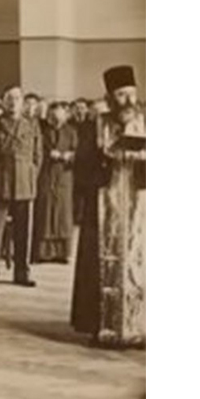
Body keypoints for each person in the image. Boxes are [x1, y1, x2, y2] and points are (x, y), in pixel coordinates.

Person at [71, 65, 145, 348]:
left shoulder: (148, 120)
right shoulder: (96, 124)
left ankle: (141, 327)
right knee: (99, 264)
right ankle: (102, 326)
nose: (127, 101)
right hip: (104, 204)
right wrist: (104, 157)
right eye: (121, 95)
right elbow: (82, 165)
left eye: (131, 94)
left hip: (140, 205)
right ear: (110, 97)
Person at [0, 85, 42, 286]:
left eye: (17, 98)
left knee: (24, 230)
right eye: (9, 98)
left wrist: (31, 176)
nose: (13, 102)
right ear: (3, 102)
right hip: (1, 181)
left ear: (23, 102)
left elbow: (38, 155)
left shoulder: (31, 124)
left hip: (25, 182)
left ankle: (22, 273)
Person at [32, 101, 77, 263]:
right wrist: (48, 153)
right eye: (54, 116)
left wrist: (69, 156)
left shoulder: (71, 131)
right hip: (47, 173)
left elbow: (77, 151)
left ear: (65, 116)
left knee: (63, 213)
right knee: (45, 211)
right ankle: (43, 253)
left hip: (64, 174)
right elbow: (36, 150)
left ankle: (63, 253)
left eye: (60, 116)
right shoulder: (42, 131)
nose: (57, 119)